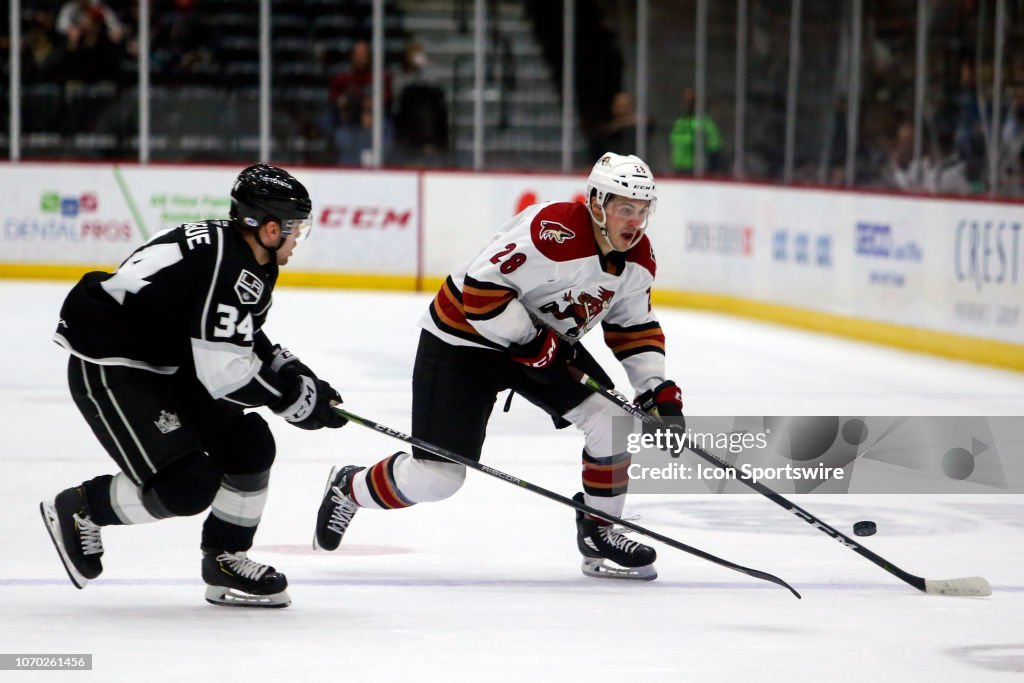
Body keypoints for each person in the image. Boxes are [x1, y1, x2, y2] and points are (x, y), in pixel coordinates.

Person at [313, 153, 684, 581]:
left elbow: (633, 326)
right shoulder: (554, 231)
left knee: (612, 420)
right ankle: (349, 488)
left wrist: (654, 389)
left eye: (642, 210)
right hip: (462, 341)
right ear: (597, 204)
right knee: (438, 479)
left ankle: (598, 529)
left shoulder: (637, 258)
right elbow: (480, 292)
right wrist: (530, 341)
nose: (635, 221)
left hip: (540, 341)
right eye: (625, 208)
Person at [40, 164, 348, 608]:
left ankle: (225, 559)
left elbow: (239, 337)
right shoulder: (230, 265)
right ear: (269, 227)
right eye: (296, 227)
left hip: (166, 361)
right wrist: (292, 400)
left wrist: (296, 373)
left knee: (249, 445)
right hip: (112, 362)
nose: (299, 237)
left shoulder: (244, 256)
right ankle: (81, 506)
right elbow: (223, 373)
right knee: (186, 487)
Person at [669, 87, 722, 175]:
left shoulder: (705, 122)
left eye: (691, 101)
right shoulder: (680, 122)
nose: (687, 104)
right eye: (686, 101)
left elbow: (715, 146)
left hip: (697, 170)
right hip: (678, 168)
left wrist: (712, 170)